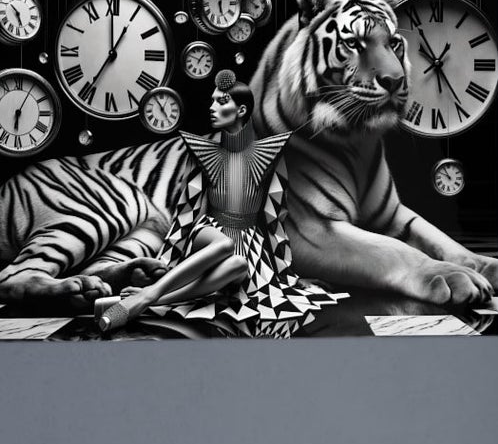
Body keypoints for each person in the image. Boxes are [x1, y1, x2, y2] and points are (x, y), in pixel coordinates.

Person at [95, 71, 335, 336]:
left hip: (250, 246)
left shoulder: (271, 155)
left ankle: (152, 299)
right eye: (212, 101)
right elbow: (187, 212)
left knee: (238, 265)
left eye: (221, 102)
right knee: (225, 245)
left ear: (241, 109)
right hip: (208, 232)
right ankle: (148, 295)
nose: (212, 108)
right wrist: (167, 262)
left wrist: (285, 273)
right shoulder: (205, 152)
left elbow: (274, 221)